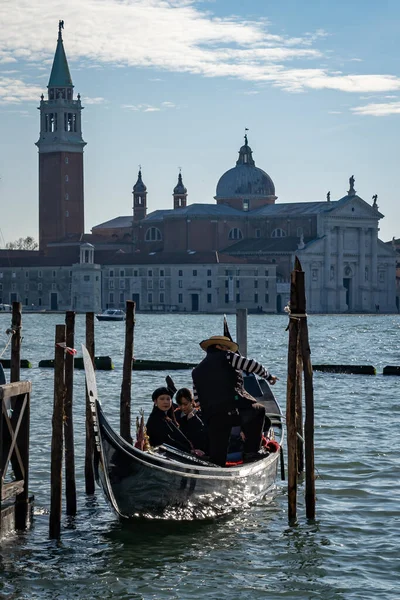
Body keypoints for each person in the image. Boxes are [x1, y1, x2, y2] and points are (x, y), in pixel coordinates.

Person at [192, 335, 278, 467]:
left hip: (212, 416)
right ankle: (251, 452)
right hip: (234, 408)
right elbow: (252, 365)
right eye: (227, 347)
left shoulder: (196, 371)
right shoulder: (227, 356)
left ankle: (215, 470)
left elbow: (197, 400)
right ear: (219, 347)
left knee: (217, 458)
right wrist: (268, 376)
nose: (230, 350)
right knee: (259, 411)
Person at [146, 387, 192, 453]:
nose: (166, 402)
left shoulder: (168, 416)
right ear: (155, 401)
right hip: (159, 453)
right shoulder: (155, 419)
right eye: (162, 399)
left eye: (168, 399)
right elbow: (167, 441)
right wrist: (189, 451)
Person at [175, 388, 208, 453]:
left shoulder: (201, 415)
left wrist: (193, 420)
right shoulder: (176, 415)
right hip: (182, 449)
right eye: (180, 404)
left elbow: (204, 436)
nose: (183, 407)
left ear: (192, 401)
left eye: (185, 404)